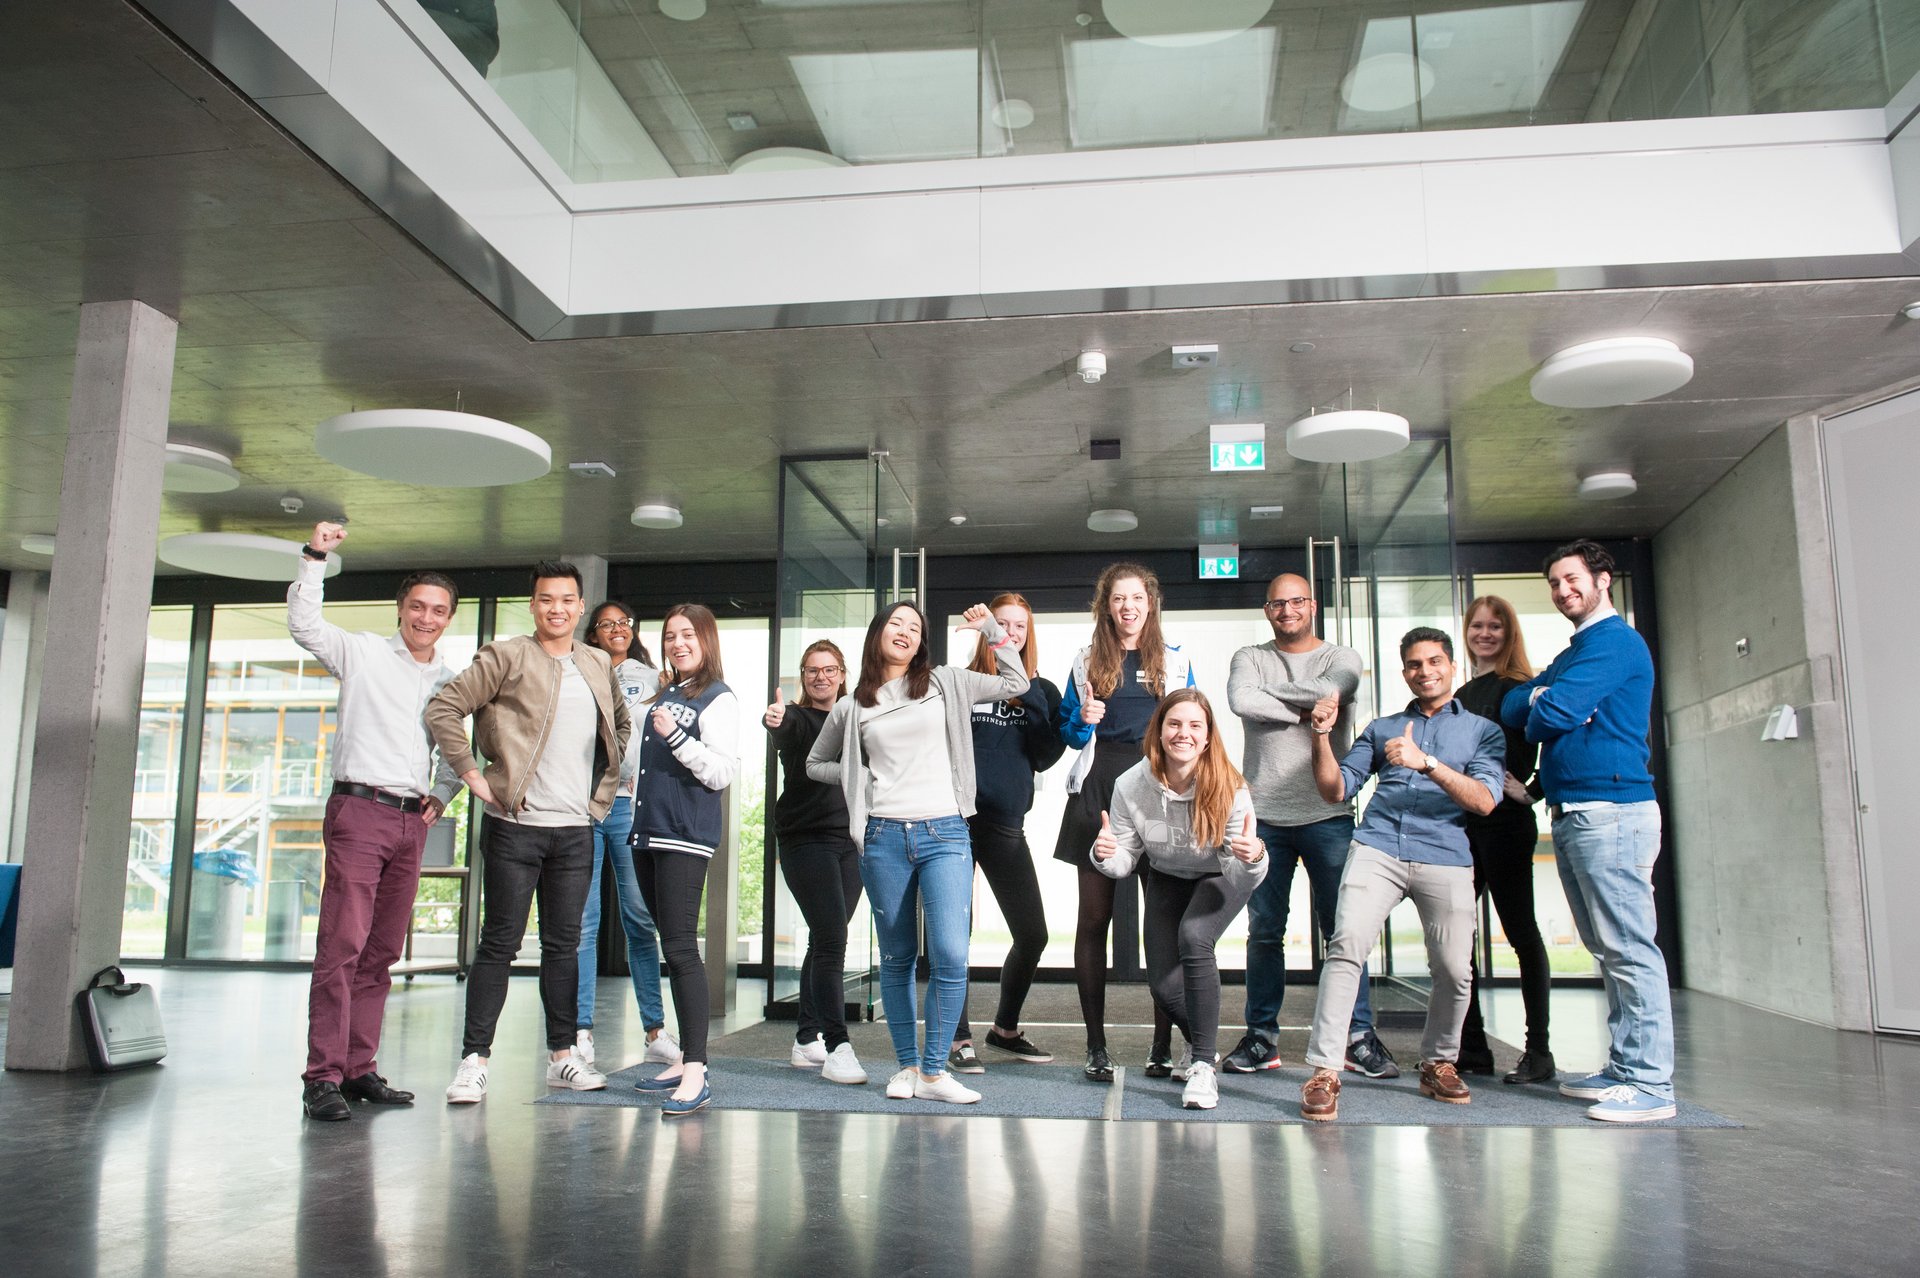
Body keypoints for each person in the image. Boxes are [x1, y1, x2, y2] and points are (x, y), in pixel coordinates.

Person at [806, 601, 1029, 1105]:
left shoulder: (947, 682)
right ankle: (907, 1066)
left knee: (951, 952)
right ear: (878, 633)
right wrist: (856, 777)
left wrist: (992, 630)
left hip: (945, 832)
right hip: (884, 836)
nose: (904, 632)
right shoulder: (852, 705)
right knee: (898, 956)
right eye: (895, 623)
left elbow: (1016, 682)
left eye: (914, 627)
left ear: (922, 640)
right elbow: (816, 762)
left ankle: (933, 1071)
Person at [425, 562, 628, 1105]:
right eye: (545, 600)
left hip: (574, 830)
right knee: (499, 945)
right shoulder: (507, 655)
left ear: (579, 607)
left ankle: (562, 1058)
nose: (556, 608)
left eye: (566, 600)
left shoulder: (596, 662)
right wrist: (471, 773)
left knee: (564, 947)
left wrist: (598, 799)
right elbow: (445, 707)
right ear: (533, 605)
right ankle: (473, 1062)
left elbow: (621, 725)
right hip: (514, 827)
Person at [289, 521, 463, 1121]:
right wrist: (315, 557)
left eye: (438, 610)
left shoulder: (450, 680)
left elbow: (463, 748)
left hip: (411, 822)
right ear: (401, 609)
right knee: (342, 943)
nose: (426, 618)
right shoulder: (361, 652)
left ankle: (359, 1068)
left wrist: (442, 795)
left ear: (449, 618)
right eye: (417, 606)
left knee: (382, 950)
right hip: (359, 811)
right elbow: (305, 625)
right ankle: (322, 1077)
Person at [1298, 628, 1503, 1122]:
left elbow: (1486, 800)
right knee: (1345, 946)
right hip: (1379, 848)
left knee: (1454, 968)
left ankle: (1438, 1062)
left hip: (1446, 854)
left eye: (1435, 661)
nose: (1425, 671)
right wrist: (1320, 735)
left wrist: (1426, 763)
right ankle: (1325, 1071)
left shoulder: (1481, 731)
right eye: (1414, 664)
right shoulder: (1382, 726)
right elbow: (1335, 790)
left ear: (1453, 668)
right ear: (1404, 672)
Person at [1501, 540, 1675, 1122]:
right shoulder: (1580, 649)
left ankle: (1651, 1086)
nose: (1562, 590)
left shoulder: (1616, 643)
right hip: (1578, 811)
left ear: (1602, 580)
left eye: (1572, 578)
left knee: (1629, 949)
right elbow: (1515, 704)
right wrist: (1552, 699)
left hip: (1614, 814)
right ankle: (1625, 1067)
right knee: (1607, 948)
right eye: (1553, 582)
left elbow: (1545, 714)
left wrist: (1549, 702)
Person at [1223, 572, 1397, 1081]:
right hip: (1265, 816)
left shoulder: (1340, 657)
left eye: (1296, 601)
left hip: (1329, 815)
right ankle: (1262, 1038)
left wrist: (1276, 700)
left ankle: (1356, 1037)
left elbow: (1331, 688)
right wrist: (1308, 711)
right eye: (1278, 603)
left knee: (1345, 932)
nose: (1287, 610)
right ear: (1267, 609)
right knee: (1264, 933)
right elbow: (1240, 699)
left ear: (1312, 605)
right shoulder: (1248, 657)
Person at [1091, 689, 1267, 1111]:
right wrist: (1105, 855)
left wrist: (1255, 856)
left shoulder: (1230, 787)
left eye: (1194, 726)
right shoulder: (1131, 785)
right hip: (1167, 876)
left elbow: (1242, 873)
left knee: (1194, 937)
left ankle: (1203, 1067)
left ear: (1207, 738)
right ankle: (1199, 1039)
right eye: (1174, 724)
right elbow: (1126, 857)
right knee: (1164, 986)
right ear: (1159, 730)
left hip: (1220, 876)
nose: (1183, 733)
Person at [1054, 563, 1194, 1083]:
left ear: (1149, 604)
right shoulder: (1086, 660)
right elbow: (1068, 734)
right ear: (1106, 606)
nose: (1127, 606)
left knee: (1164, 923)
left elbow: (1193, 727)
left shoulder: (1176, 661)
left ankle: (1162, 1047)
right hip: (1099, 790)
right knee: (1094, 919)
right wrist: (1080, 720)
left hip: (1158, 790)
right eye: (1118, 598)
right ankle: (1096, 1046)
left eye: (1136, 597)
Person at [628, 604, 741, 1117]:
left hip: (684, 838)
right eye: (670, 634)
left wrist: (675, 736)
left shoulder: (719, 699)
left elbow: (721, 774)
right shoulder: (666, 693)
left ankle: (696, 1069)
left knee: (680, 948)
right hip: (648, 834)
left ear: (707, 640)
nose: (677, 643)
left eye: (687, 635)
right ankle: (683, 1061)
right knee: (669, 948)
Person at [949, 592, 1065, 1075]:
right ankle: (955, 1037)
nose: (1011, 633)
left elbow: (1045, 754)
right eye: (1002, 624)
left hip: (1004, 825)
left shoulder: (1043, 691)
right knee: (954, 936)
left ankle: (1005, 1029)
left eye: (1019, 627)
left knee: (1033, 934)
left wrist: (1027, 693)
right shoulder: (961, 683)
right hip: (951, 822)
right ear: (985, 629)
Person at [574, 601, 681, 1072]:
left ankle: (655, 1030)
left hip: (625, 805)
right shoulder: (578, 670)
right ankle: (579, 1031)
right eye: (606, 624)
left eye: (624, 623)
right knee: (583, 921)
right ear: (593, 634)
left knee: (640, 917)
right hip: (579, 807)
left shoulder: (653, 677)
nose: (617, 629)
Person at [1454, 595, 1555, 1084]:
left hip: (1507, 827)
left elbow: (1560, 737)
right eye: (1478, 625)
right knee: (1458, 939)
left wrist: (1531, 791)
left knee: (1521, 934)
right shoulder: (1465, 692)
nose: (1486, 633)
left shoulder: (1520, 688)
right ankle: (1471, 1047)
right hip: (1464, 828)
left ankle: (1539, 1051)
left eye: (1496, 626)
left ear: (1509, 632)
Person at [764, 639, 868, 1086]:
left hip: (851, 841)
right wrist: (775, 720)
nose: (821, 676)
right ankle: (836, 1044)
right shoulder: (797, 717)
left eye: (829, 669)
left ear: (842, 674)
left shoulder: (857, 719)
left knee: (823, 940)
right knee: (832, 938)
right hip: (806, 841)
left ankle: (806, 1038)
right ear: (803, 678)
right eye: (812, 670)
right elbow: (782, 728)